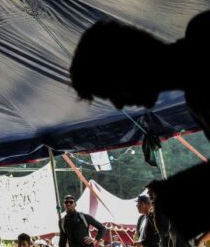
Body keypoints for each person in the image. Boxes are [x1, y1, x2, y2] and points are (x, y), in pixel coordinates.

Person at [70, 12, 210, 245]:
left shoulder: (204, 35)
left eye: (110, 91)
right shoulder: (196, 101)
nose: (118, 104)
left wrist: (185, 195)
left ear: (125, 67)